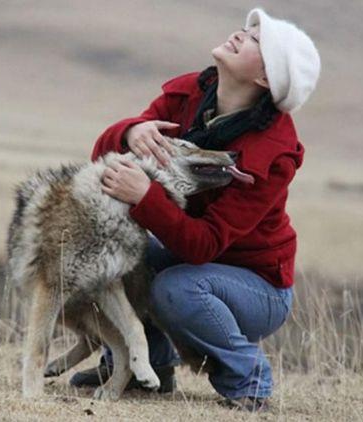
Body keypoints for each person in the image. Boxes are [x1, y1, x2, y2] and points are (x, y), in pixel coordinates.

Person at [69, 7, 320, 412]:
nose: (241, 35)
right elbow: (105, 158)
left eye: (257, 40)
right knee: (114, 256)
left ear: (265, 78)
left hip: (256, 287)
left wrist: (145, 198)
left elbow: (203, 246)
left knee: (178, 286)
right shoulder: (188, 95)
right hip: (190, 262)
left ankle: (250, 382)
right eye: (246, 29)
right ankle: (143, 367)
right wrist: (130, 131)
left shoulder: (273, 153)